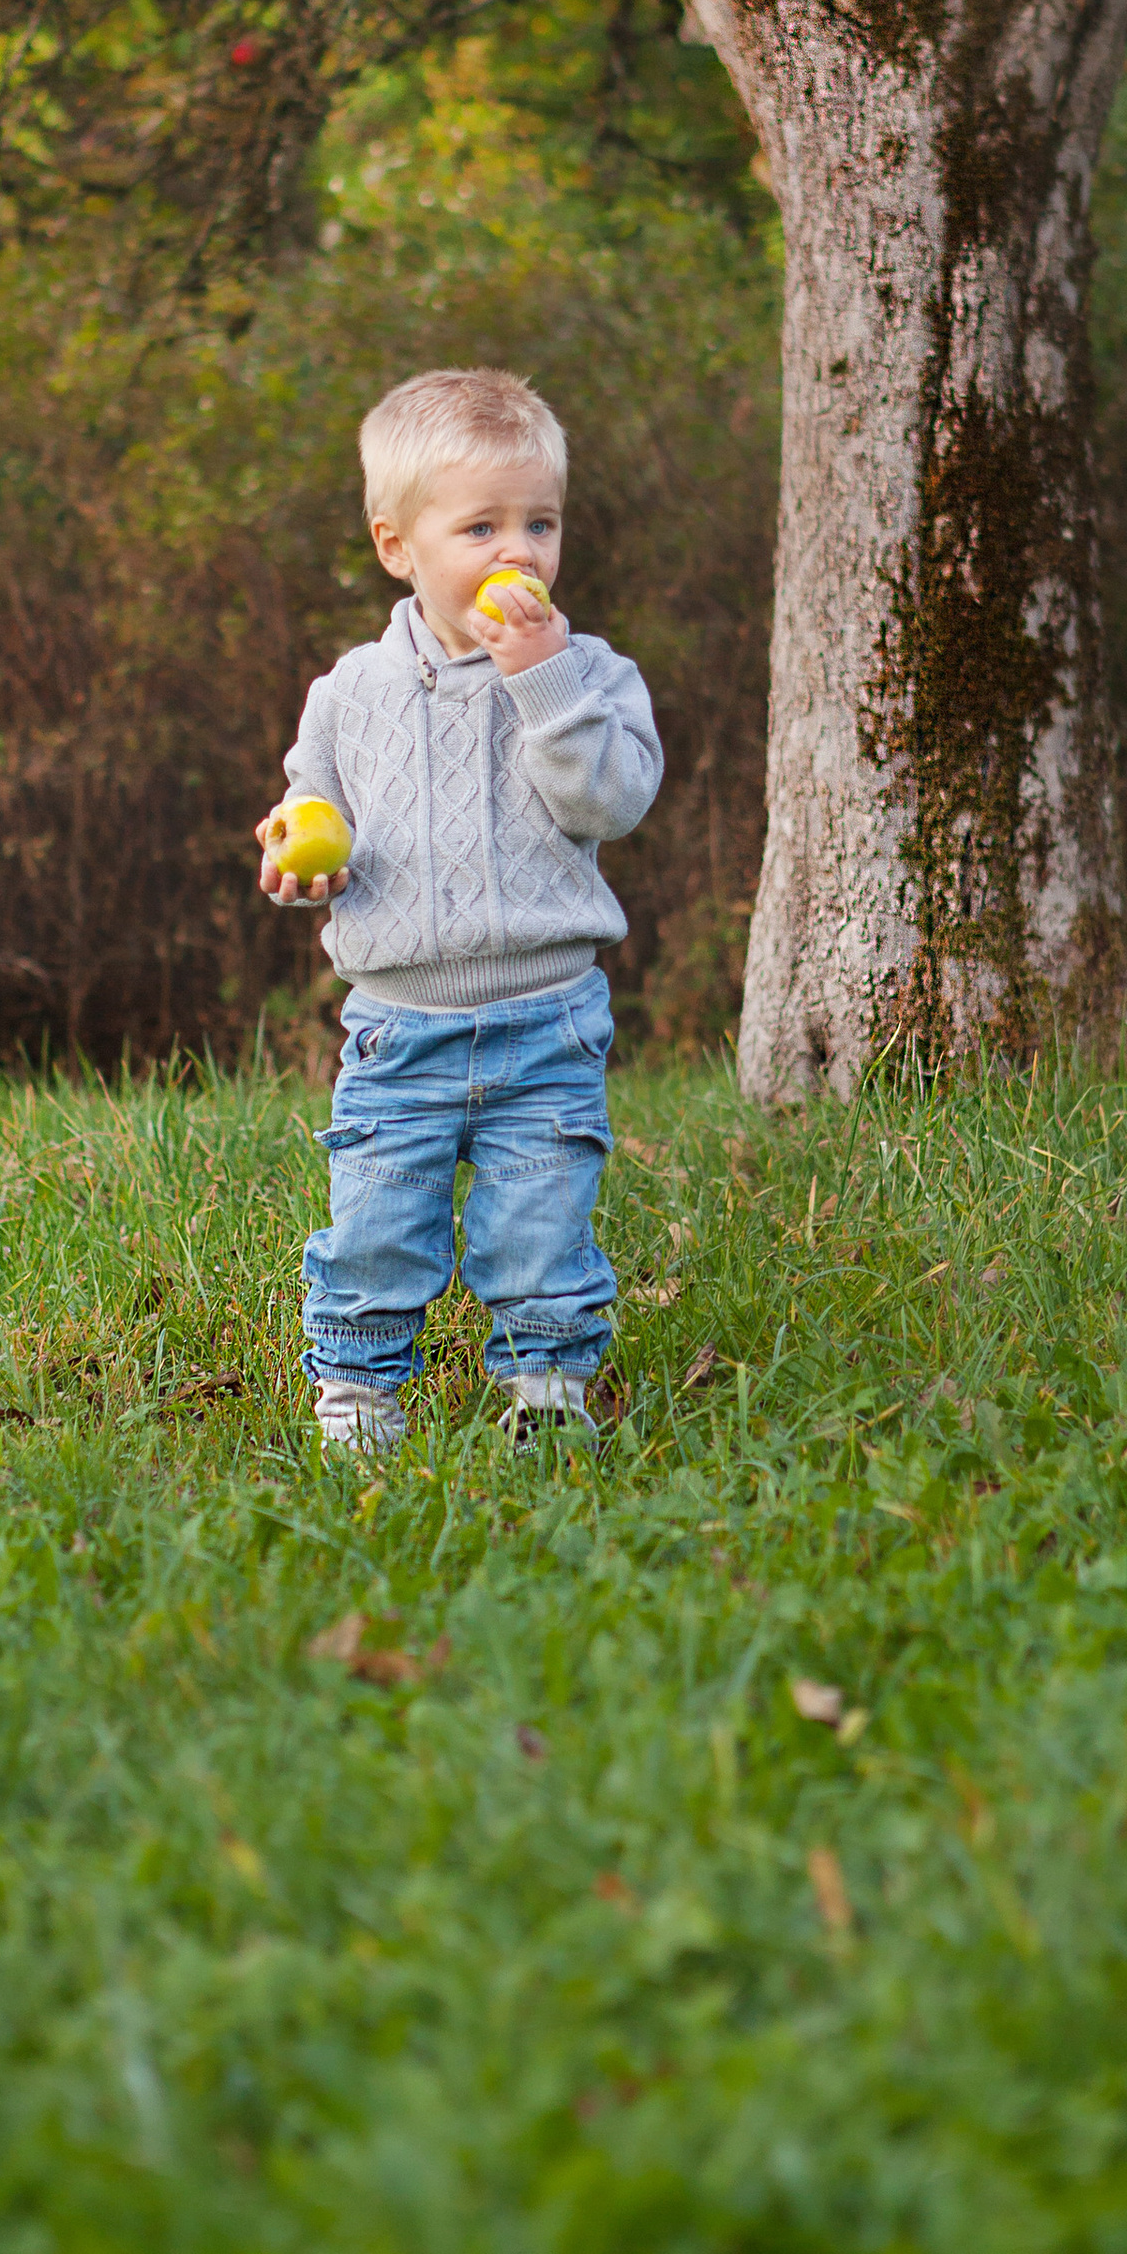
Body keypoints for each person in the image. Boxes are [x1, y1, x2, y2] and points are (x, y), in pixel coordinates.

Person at [258, 368, 663, 1458]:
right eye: (480, 524)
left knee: (541, 1224)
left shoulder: (588, 675)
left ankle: (546, 1395)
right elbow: (312, 799)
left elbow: (609, 801)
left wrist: (541, 682)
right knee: (379, 1222)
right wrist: (298, 850)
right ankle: (356, 1398)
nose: (517, 550)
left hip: (548, 1018)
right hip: (399, 1024)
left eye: (540, 522)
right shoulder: (349, 692)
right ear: (398, 545)